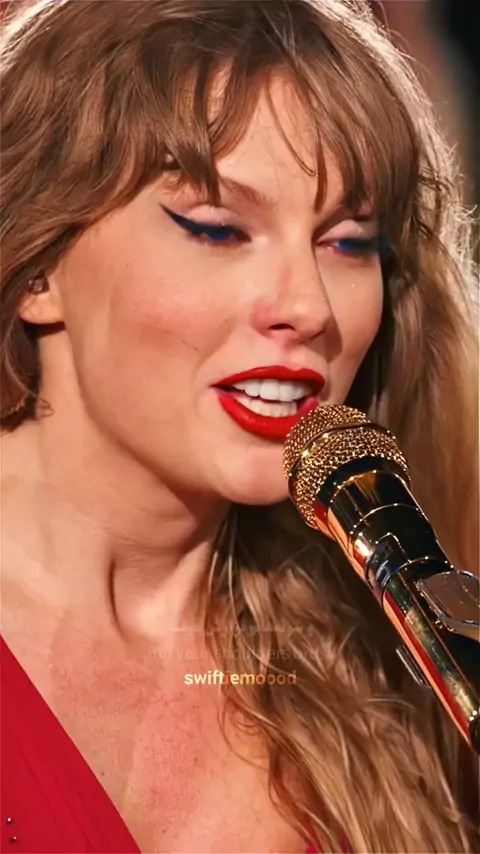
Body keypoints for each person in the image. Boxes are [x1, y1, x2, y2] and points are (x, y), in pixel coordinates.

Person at [1, 0, 478, 852]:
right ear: (38, 264)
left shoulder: (397, 657)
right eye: (218, 229)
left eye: (350, 242)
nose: (308, 306)